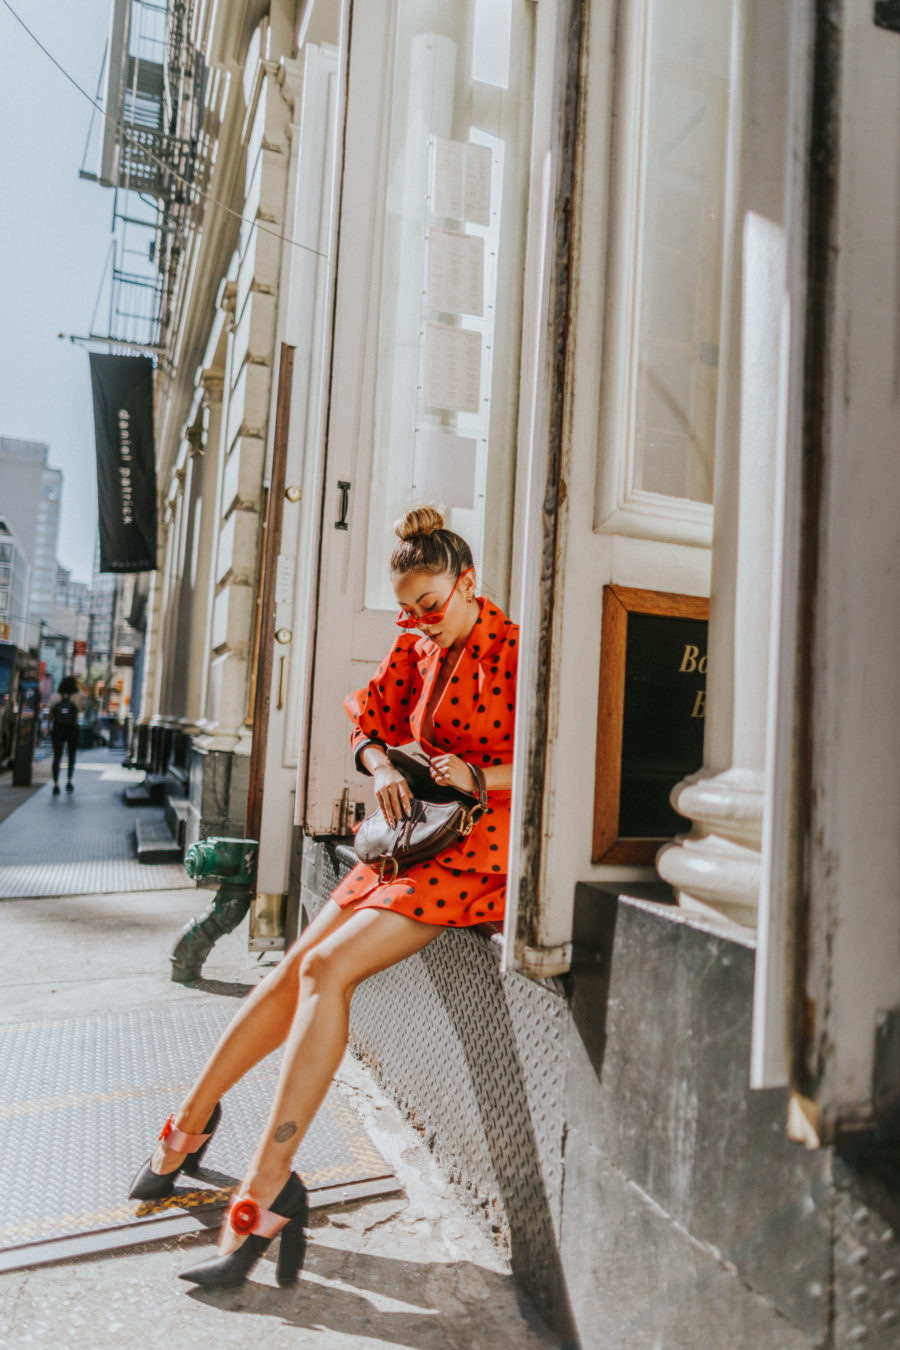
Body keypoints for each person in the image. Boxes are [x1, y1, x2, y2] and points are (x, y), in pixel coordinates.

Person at [128, 506, 518, 1288]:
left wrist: (482, 778)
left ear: (468, 582)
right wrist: (377, 765)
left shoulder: (514, 650)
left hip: (481, 848)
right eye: (408, 610)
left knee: (322, 971)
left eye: (431, 607)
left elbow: (560, 759)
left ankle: (269, 1187)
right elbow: (369, 716)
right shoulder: (416, 639)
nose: (418, 623)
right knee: (290, 971)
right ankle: (189, 1125)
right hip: (405, 842)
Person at [48, 675, 83, 795]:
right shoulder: (77, 697)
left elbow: (50, 714)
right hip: (72, 730)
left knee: (56, 757)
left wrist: (48, 727)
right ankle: (68, 781)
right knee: (71, 756)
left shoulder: (56, 696)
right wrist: (78, 682)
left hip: (58, 730)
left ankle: (56, 784)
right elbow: (86, 698)